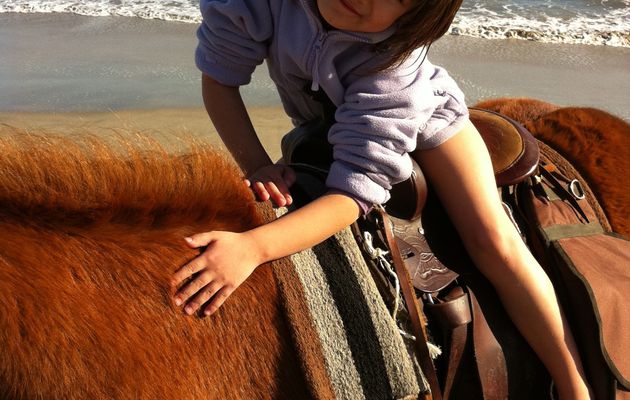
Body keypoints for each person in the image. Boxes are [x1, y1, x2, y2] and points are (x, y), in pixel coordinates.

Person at [170, 0, 592, 398]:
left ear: (420, 15)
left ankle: (572, 380)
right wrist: (258, 166)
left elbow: (353, 195)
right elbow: (220, 80)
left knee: (492, 241)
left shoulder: (396, 70)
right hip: (329, 126)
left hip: (426, 124)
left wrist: (253, 248)